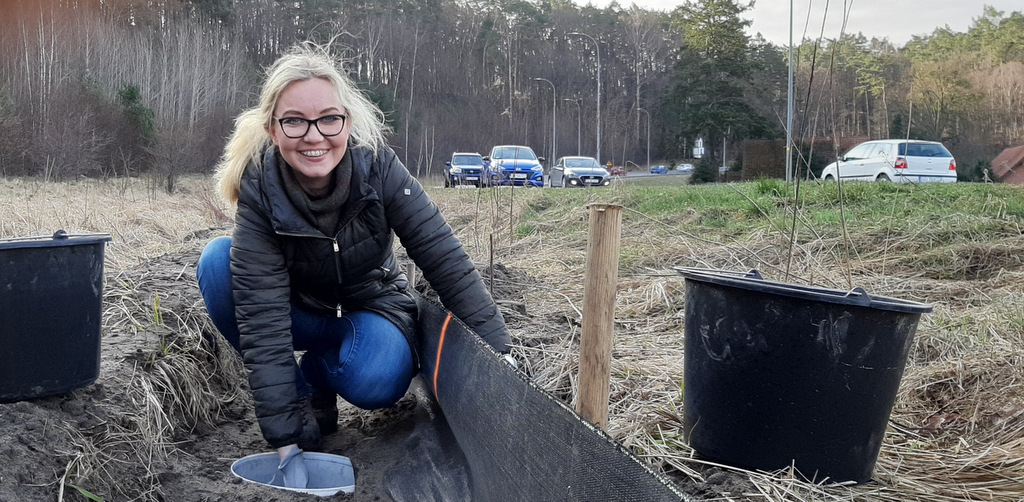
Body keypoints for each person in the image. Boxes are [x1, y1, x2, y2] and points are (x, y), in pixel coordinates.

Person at [196, 42, 510, 489]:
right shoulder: (260, 190)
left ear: (346, 119)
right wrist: (287, 441)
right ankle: (306, 397)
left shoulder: (377, 166)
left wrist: (501, 353)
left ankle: (319, 371)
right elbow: (262, 318)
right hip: (299, 310)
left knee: (378, 380)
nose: (314, 135)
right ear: (272, 128)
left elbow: (444, 258)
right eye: (294, 121)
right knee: (216, 264)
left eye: (328, 118)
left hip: (371, 303)